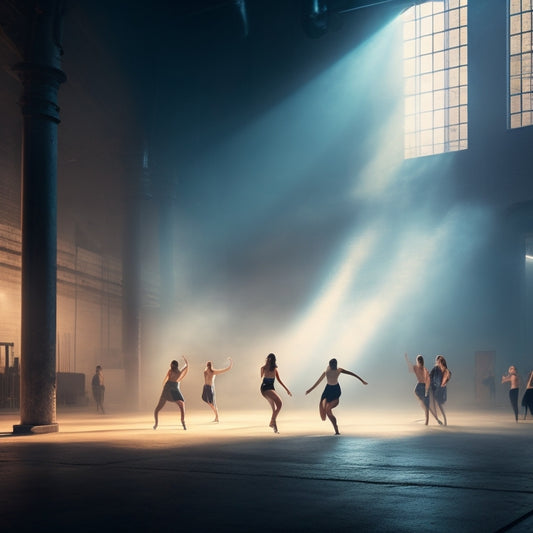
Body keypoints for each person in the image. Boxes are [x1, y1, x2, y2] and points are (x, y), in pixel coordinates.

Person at [305, 357, 368, 435]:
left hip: (335, 390)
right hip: (327, 390)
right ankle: (335, 428)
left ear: (335, 365)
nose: (332, 366)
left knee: (328, 410)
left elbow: (351, 373)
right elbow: (319, 380)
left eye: (333, 365)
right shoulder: (327, 370)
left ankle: (336, 429)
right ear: (330, 365)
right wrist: (310, 389)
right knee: (324, 413)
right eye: (331, 365)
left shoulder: (339, 370)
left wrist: (361, 380)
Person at [404, 353, 442, 425]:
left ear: (418, 361)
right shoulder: (420, 369)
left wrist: (427, 390)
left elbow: (427, 380)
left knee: (427, 408)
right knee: (427, 407)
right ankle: (431, 420)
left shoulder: (423, 370)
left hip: (422, 388)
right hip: (421, 388)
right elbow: (410, 367)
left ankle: (431, 421)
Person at [153, 357, 189, 430]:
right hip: (169, 389)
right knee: (157, 409)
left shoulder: (176, 372)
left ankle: (183, 422)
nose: (171, 367)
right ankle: (156, 424)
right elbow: (184, 368)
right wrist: (186, 363)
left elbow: (185, 368)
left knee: (182, 405)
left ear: (175, 366)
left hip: (173, 389)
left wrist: (186, 362)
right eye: (171, 366)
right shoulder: (172, 371)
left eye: (172, 366)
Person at [260, 353, 292, 433]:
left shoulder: (275, 369)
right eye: (268, 359)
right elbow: (261, 378)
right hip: (265, 388)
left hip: (271, 388)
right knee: (280, 403)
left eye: (270, 360)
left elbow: (279, 380)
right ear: (267, 359)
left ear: (273, 361)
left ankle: (274, 427)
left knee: (275, 409)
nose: (268, 361)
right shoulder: (263, 368)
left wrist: (287, 389)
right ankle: (272, 421)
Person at [202, 357, 233, 422]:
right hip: (206, 387)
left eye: (208, 366)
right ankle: (216, 415)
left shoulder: (213, 372)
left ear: (209, 366)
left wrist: (230, 365)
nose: (207, 367)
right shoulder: (205, 372)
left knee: (212, 403)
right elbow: (205, 379)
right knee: (205, 399)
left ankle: (217, 417)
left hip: (209, 388)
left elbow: (224, 370)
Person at [429, 355, 451, 426]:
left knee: (439, 404)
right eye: (437, 361)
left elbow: (447, 378)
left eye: (438, 361)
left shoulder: (446, 370)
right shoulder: (435, 369)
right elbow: (430, 376)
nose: (437, 362)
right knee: (433, 404)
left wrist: (444, 383)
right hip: (434, 388)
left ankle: (444, 420)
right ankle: (438, 419)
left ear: (441, 362)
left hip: (440, 390)